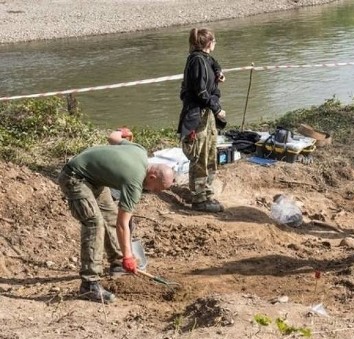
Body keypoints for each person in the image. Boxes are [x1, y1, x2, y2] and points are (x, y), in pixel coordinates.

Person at [58, 129, 175, 303]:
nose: (155, 192)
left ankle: (117, 263)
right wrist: (129, 256)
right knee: (94, 223)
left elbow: (113, 137)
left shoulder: (140, 151)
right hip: (74, 178)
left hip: (95, 180)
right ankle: (89, 284)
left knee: (110, 217)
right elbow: (123, 224)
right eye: (157, 188)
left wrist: (122, 132)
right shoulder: (134, 182)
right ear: (151, 176)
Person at [177, 27, 227, 213]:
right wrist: (218, 108)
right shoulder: (197, 61)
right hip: (198, 115)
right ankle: (199, 199)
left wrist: (218, 73)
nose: (216, 44)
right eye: (214, 41)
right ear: (208, 43)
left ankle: (206, 192)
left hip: (207, 114)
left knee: (211, 153)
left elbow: (213, 63)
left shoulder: (204, 58)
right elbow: (200, 92)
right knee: (200, 155)